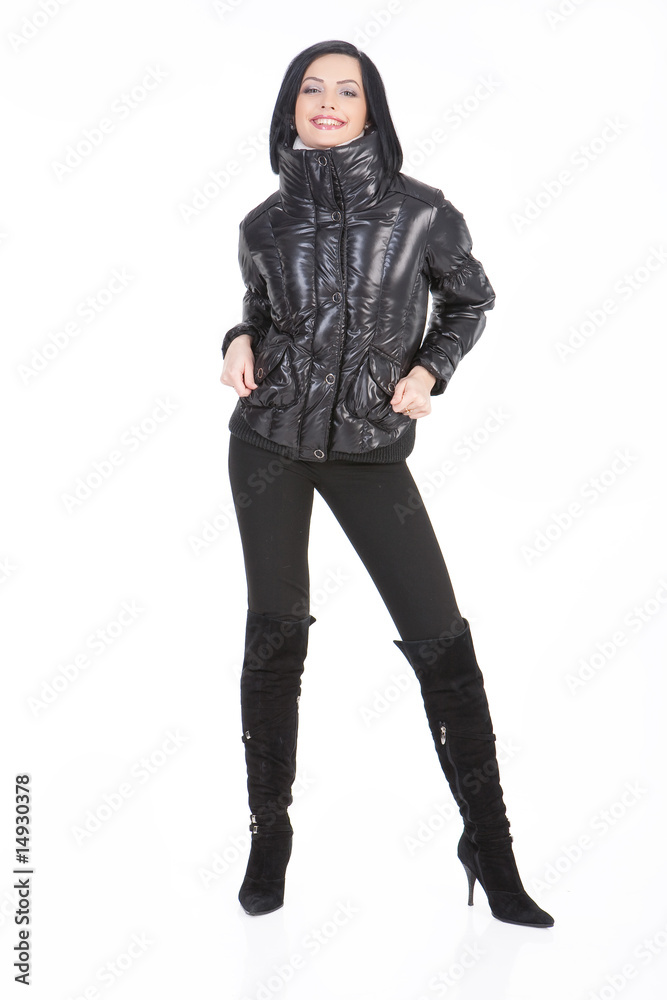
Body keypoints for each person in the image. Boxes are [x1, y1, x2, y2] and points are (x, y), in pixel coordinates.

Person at [220, 39, 554, 929]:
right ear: (290, 107)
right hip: (267, 444)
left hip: (370, 447)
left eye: (347, 90)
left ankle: (491, 847)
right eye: (311, 89)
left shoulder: (421, 213)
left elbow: (470, 300)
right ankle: (268, 835)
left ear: (371, 110)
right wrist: (236, 338)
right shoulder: (261, 224)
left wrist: (430, 369)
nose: (327, 102)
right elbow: (261, 311)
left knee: (440, 638)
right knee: (274, 634)